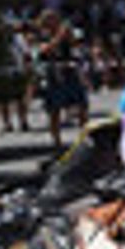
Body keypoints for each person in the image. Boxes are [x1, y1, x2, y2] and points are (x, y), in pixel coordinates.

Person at [35, 8, 88, 148]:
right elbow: (44, 50)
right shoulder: (42, 35)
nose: (53, 22)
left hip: (69, 71)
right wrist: (58, 37)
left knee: (81, 106)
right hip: (53, 73)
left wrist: (69, 35)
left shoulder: (67, 33)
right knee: (54, 110)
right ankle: (56, 141)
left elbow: (76, 46)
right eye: (49, 19)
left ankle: (85, 137)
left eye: (54, 18)